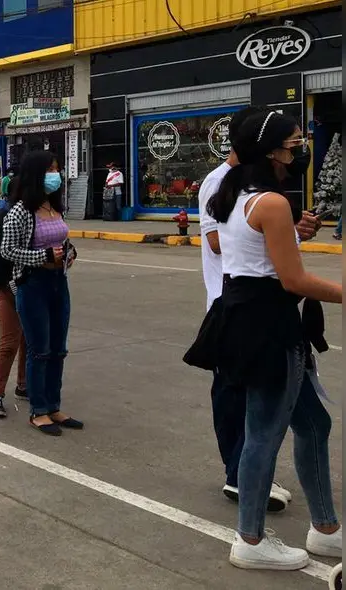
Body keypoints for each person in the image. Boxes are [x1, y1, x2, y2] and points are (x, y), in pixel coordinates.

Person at [186, 111, 341, 570]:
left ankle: (327, 529)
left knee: (313, 425)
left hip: (246, 318)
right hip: (268, 328)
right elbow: (292, 280)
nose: (300, 151)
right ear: (270, 151)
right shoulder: (268, 202)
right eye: (294, 144)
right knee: (263, 435)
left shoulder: (237, 195)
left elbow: (261, 261)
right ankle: (250, 539)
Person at [197, 106, 305, 512]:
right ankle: (237, 476)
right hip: (230, 301)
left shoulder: (256, 187)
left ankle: (248, 472)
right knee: (233, 395)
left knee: (263, 400)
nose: (295, 152)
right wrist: (279, 234)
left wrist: (289, 233)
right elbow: (217, 243)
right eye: (291, 144)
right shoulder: (218, 183)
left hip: (256, 304)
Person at [0, 150, 81, 437]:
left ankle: (54, 405)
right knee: (40, 349)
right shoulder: (21, 211)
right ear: (36, 174)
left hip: (59, 282)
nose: (55, 175)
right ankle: (39, 410)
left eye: (57, 169)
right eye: (50, 169)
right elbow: (7, 250)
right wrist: (43, 257)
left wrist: (69, 254)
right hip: (33, 284)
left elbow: (64, 240)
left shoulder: (56, 206)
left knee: (59, 348)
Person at [0, 197, 28, 419]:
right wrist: (18, 294)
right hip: (9, 293)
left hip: (29, 292)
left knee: (29, 341)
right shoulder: (1, 247)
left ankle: (23, 385)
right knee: (9, 343)